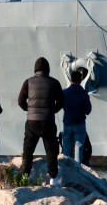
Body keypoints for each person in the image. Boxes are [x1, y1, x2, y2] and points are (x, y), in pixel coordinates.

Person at [18, 57, 64, 186]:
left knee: (28, 150)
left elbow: (20, 101)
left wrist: (29, 110)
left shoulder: (28, 82)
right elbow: (61, 102)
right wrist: (52, 111)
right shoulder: (54, 82)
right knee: (51, 150)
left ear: (35, 69)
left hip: (32, 121)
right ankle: (53, 179)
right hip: (48, 121)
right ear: (48, 69)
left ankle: (25, 177)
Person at [62, 68, 92, 164]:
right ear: (81, 80)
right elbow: (88, 111)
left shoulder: (64, 92)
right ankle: (77, 169)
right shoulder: (84, 94)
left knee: (66, 149)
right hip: (79, 123)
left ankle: (65, 169)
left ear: (70, 80)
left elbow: (60, 105)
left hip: (67, 123)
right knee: (79, 149)